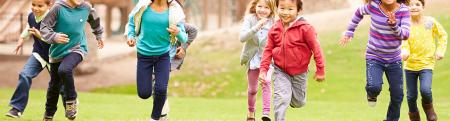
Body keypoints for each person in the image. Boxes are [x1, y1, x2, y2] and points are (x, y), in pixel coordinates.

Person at [339, 0, 410, 120]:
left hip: (394, 59)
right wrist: (350, 31)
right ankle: (371, 94)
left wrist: (394, 25)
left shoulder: (403, 11)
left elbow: (405, 35)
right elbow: (358, 12)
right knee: (374, 87)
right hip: (374, 56)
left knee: (398, 95)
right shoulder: (373, 6)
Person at [259, 0, 325, 120]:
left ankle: (288, 98)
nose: (285, 12)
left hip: (300, 71)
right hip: (280, 70)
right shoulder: (274, 29)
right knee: (281, 98)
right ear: (277, 8)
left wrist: (320, 69)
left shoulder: (306, 29)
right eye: (282, 8)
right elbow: (268, 50)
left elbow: (316, 48)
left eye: (290, 9)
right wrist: (263, 70)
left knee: (298, 102)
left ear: (298, 11)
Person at [40, 0, 105, 120]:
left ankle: (71, 101)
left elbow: (94, 21)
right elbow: (44, 27)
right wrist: (54, 36)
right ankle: (49, 114)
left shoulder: (86, 7)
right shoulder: (58, 8)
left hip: (77, 48)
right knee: (54, 87)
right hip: (57, 52)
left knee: (64, 69)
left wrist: (99, 35)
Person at [126, 0, 187, 120]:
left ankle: (155, 118)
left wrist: (177, 32)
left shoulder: (174, 10)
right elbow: (132, 23)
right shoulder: (143, 6)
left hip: (163, 56)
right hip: (144, 55)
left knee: (161, 89)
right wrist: (131, 36)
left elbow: (184, 37)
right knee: (144, 93)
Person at [5, 0, 55, 119]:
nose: (35, 8)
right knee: (25, 74)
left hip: (55, 57)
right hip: (39, 54)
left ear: (49, 5)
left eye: (40, 6)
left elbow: (57, 38)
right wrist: (21, 39)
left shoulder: (54, 18)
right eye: (33, 5)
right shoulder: (31, 16)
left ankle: (70, 101)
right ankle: (16, 109)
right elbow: (29, 27)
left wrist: (40, 36)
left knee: (60, 86)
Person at [402, 0, 447, 120]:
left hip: (426, 64)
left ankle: (429, 110)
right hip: (410, 66)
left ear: (423, 7)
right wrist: (404, 51)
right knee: (411, 96)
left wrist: (440, 50)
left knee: (425, 90)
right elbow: (403, 40)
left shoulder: (430, 22)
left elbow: (442, 35)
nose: (414, 7)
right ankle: (414, 116)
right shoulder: (405, 24)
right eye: (410, 5)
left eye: (417, 4)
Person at [239, 0, 276, 120]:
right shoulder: (250, 19)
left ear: (271, 9)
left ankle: (266, 114)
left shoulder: (274, 22)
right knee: (253, 90)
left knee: (267, 81)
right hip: (253, 58)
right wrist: (257, 26)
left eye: (266, 7)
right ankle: (251, 112)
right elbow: (242, 38)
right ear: (255, 6)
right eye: (260, 6)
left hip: (268, 59)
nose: (262, 10)